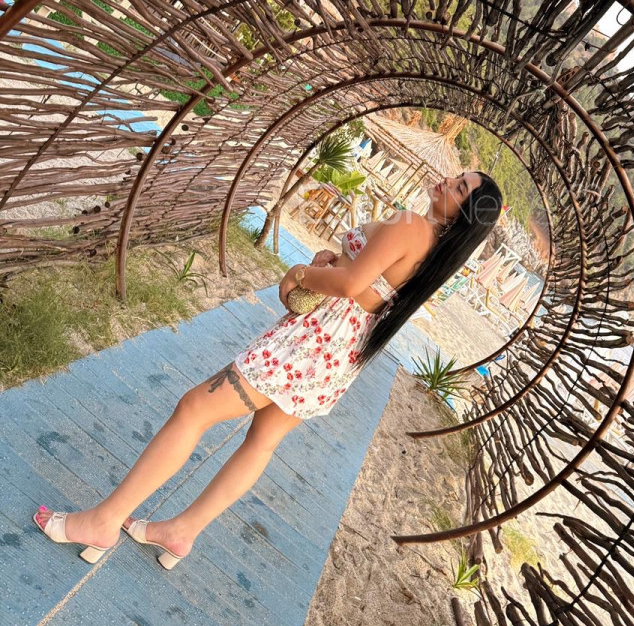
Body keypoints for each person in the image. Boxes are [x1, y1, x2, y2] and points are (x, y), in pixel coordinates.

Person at [33, 171, 503, 568]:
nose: (447, 181)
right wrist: (332, 265)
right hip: (340, 354)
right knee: (261, 441)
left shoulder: (412, 225)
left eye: (459, 188)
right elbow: (371, 291)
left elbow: (350, 285)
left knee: (194, 409)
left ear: (463, 215)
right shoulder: (434, 253)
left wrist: (298, 274)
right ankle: (181, 532)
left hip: (312, 342)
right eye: (456, 176)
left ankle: (104, 521)